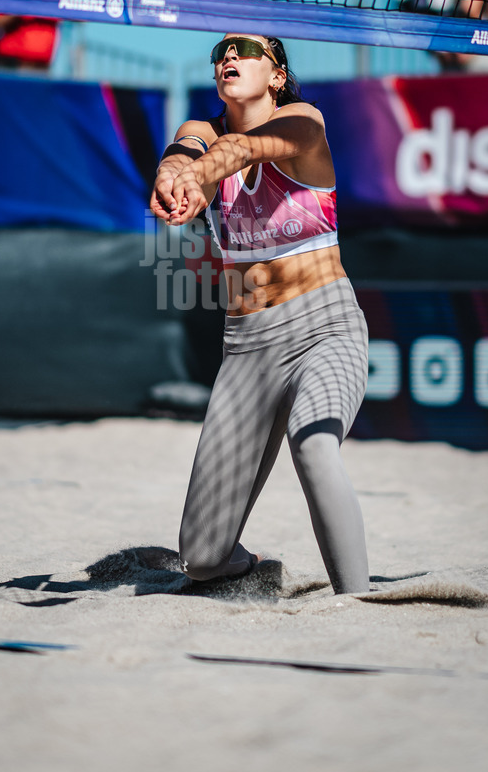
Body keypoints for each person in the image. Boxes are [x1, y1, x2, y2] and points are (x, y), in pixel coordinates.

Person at [150, 34, 370, 595]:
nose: (228, 57)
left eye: (245, 51)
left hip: (326, 327)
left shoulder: (302, 121)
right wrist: (174, 177)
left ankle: (361, 602)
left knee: (313, 442)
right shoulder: (202, 131)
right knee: (201, 558)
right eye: (220, 52)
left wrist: (202, 175)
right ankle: (255, 567)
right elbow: (185, 149)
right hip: (247, 347)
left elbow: (244, 150)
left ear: (276, 75)